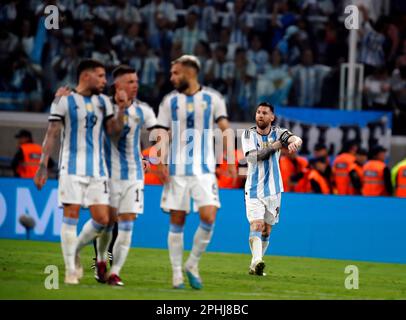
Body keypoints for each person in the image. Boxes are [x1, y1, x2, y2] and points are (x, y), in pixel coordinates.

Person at [33, 59, 127, 285]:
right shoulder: (64, 101)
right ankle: (69, 270)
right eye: (101, 76)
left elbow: (114, 132)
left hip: (98, 169)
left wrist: (121, 110)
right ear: (86, 76)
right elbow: (52, 133)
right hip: (71, 168)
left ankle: (73, 249)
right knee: (71, 215)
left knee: (103, 219)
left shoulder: (104, 102)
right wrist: (42, 165)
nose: (105, 81)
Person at [154, 55, 236, 289]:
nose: (172, 78)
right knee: (177, 219)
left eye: (175, 73)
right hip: (177, 171)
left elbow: (225, 128)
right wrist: (159, 160)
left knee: (209, 216)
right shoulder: (169, 101)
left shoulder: (213, 98)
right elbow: (161, 132)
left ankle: (192, 263)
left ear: (190, 72)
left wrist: (230, 157)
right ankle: (176, 273)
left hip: (204, 170)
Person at [94, 65, 157, 286]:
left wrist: (146, 158)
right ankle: (101, 259)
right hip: (107, 174)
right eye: (130, 82)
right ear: (117, 85)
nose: (135, 86)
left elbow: (147, 136)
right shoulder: (102, 106)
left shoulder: (142, 110)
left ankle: (115, 272)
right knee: (106, 222)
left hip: (133, 176)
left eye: (136, 82)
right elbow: (112, 133)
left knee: (127, 223)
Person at [241, 102, 302, 276]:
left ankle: (254, 266)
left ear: (272, 117)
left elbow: (295, 138)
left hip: (274, 191)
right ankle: (257, 261)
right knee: (257, 224)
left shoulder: (279, 132)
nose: (260, 115)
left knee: (267, 230)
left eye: (264, 113)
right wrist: (275, 146)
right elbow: (253, 158)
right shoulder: (248, 134)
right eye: (258, 112)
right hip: (253, 189)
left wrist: (295, 143)